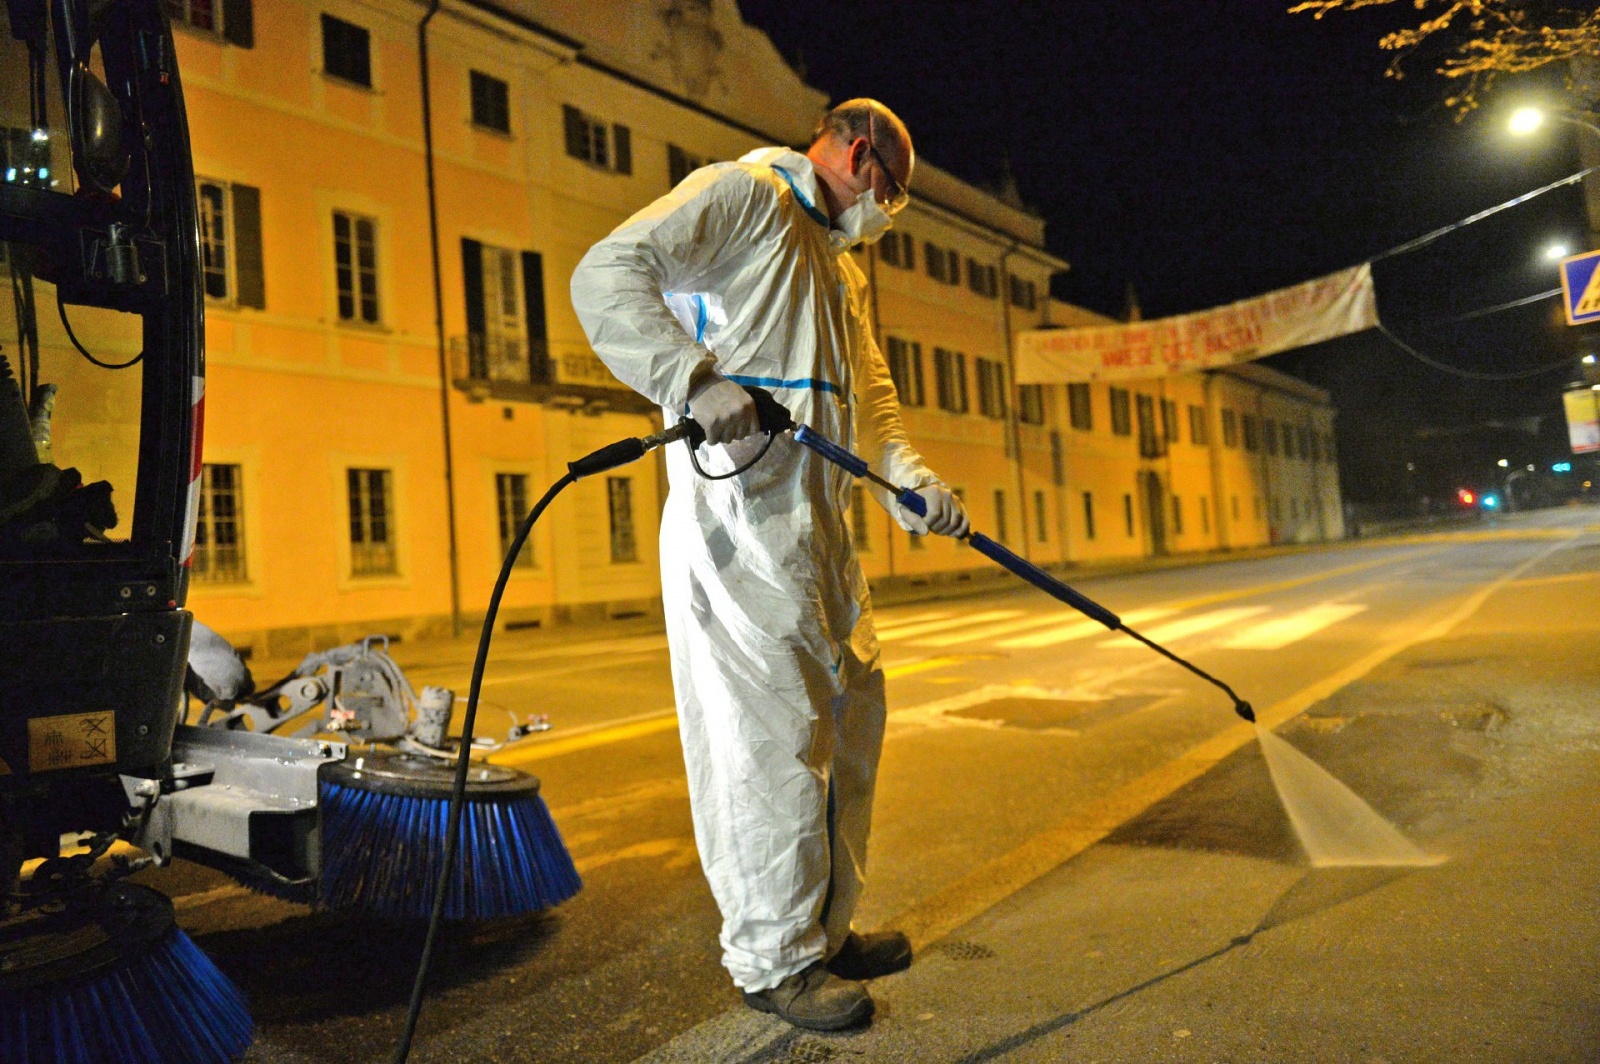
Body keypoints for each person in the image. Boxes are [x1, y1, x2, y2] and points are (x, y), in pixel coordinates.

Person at [570, 99, 968, 1031]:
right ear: (862, 158)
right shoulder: (742, 197)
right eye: (896, 194)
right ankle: (773, 960)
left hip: (818, 529)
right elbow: (606, 273)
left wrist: (906, 479)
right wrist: (694, 380)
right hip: (739, 518)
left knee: (850, 723)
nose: (891, 213)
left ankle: (825, 932)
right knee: (769, 743)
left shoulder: (835, 268)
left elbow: (869, 394)